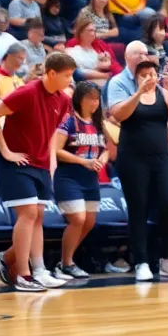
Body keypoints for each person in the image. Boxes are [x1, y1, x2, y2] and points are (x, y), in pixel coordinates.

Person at [0, 52, 79, 291]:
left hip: (41, 164)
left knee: (38, 217)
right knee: (29, 214)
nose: (69, 81)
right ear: (51, 73)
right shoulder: (26, 92)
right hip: (16, 164)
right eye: (66, 76)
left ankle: (38, 269)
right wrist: (6, 151)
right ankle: (24, 274)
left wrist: (51, 161)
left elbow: (51, 133)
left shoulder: (63, 100)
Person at [110, 59, 168, 281]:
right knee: (138, 210)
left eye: (151, 73)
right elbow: (119, 115)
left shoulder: (164, 94)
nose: (148, 78)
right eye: (143, 74)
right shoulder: (129, 96)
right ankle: (142, 262)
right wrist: (138, 94)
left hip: (161, 158)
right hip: (133, 160)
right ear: (136, 78)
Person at [52, 81, 115, 279]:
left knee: (88, 222)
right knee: (77, 219)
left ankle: (63, 261)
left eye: (97, 99)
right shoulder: (69, 121)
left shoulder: (98, 123)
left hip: (90, 179)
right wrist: (83, 161)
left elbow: (108, 149)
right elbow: (57, 150)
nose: (95, 103)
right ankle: (67, 263)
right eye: (91, 99)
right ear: (80, 99)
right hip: (69, 176)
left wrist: (101, 160)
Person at [66, 18, 113, 86]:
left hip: (100, 82)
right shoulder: (71, 51)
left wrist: (107, 59)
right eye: (90, 30)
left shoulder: (97, 52)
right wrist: (103, 75)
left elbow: (106, 66)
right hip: (82, 84)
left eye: (94, 31)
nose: (93, 33)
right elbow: (78, 73)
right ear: (81, 32)